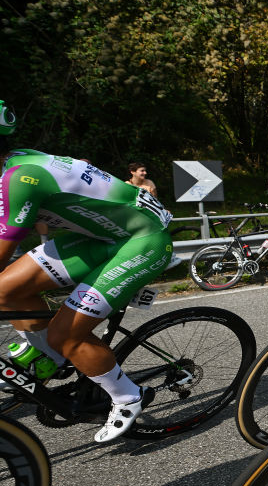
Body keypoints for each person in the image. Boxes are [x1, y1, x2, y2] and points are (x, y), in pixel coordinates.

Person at [0, 100, 173, 442]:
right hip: (101, 236)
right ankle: (48, 356)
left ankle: (127, 396)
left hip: (142, 240)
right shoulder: (15, 160)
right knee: (6, 290)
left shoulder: (20, 178)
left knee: (66, 334)